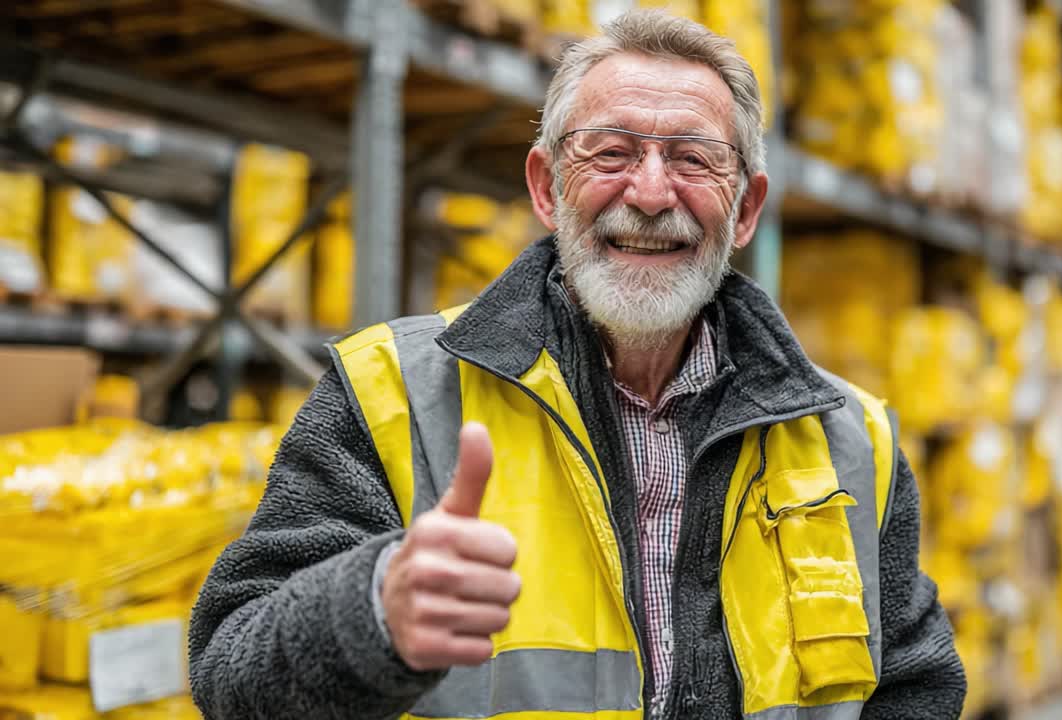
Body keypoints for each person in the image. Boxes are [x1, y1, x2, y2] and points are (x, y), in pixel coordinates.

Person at [189, 9, 965, 720]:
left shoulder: (850, 440)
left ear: (746, 211)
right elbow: (230, 673)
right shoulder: (392, 393)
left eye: (693, 160)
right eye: (612, 153)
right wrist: (369, 612)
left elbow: (917, 687)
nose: (652, 194)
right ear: (547, 189)